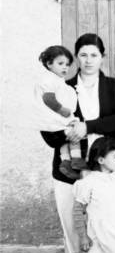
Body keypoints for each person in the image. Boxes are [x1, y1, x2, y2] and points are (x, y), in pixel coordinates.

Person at [41, 33, 115, 253]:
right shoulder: (62, 87)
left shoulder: (114, 87)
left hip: (101, 167)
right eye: (83, 54)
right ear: (75, 58)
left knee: (98, 222)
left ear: (102, 56)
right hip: (67, 168)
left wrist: (88, 127)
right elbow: (47, 128)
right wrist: (67, 134)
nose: (88, 60)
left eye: (94, 54)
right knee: (70, 221)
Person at [33, 45, 86, 179]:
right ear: (49, 64)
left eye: (67, 65)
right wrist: (63, 111)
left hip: (53, 123)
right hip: (57, 119)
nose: (65, 68)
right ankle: (76, 160)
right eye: (60, 63)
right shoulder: (49, 79)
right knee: (73, 134)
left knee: (63, 142)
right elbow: (48, 98)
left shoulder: (57, 80)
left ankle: (66, 162)